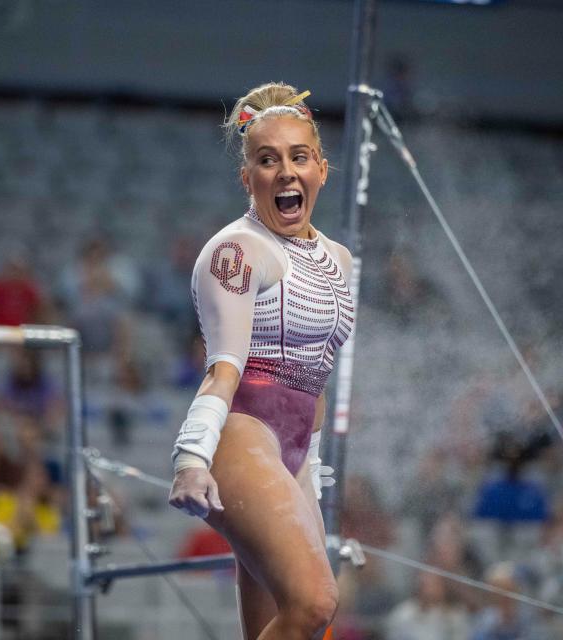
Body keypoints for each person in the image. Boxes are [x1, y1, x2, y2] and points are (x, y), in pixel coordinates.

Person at [168, 82, 354, 640]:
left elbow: (315, 383)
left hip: (291, 452)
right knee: (316, 602)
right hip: (241, 438)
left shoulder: (340, 260)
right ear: (247, 179)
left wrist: (310, 476)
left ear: (322, 168)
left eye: (299, 157)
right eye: (267, 161)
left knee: (292, 626)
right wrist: (191, 459)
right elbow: (223, 368)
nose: (286, 172)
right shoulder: (237, 251)